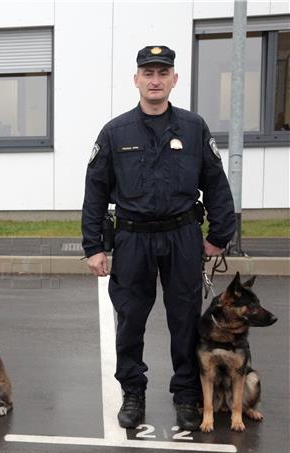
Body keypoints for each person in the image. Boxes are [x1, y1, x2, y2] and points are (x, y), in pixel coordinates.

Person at [81, 46, 236, 431]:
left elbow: (216, 185)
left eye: (162, 73)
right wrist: (94, 246)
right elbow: (95, 190)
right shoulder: (116, 132)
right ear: (136, 79)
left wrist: (219, 235)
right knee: (130, 320)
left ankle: (186, 394)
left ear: (173, 80)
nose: (155, 79)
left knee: (184, 319)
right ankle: (132, 391)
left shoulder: (194, 127)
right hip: (133, 238)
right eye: (148, 72)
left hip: (182, 236)